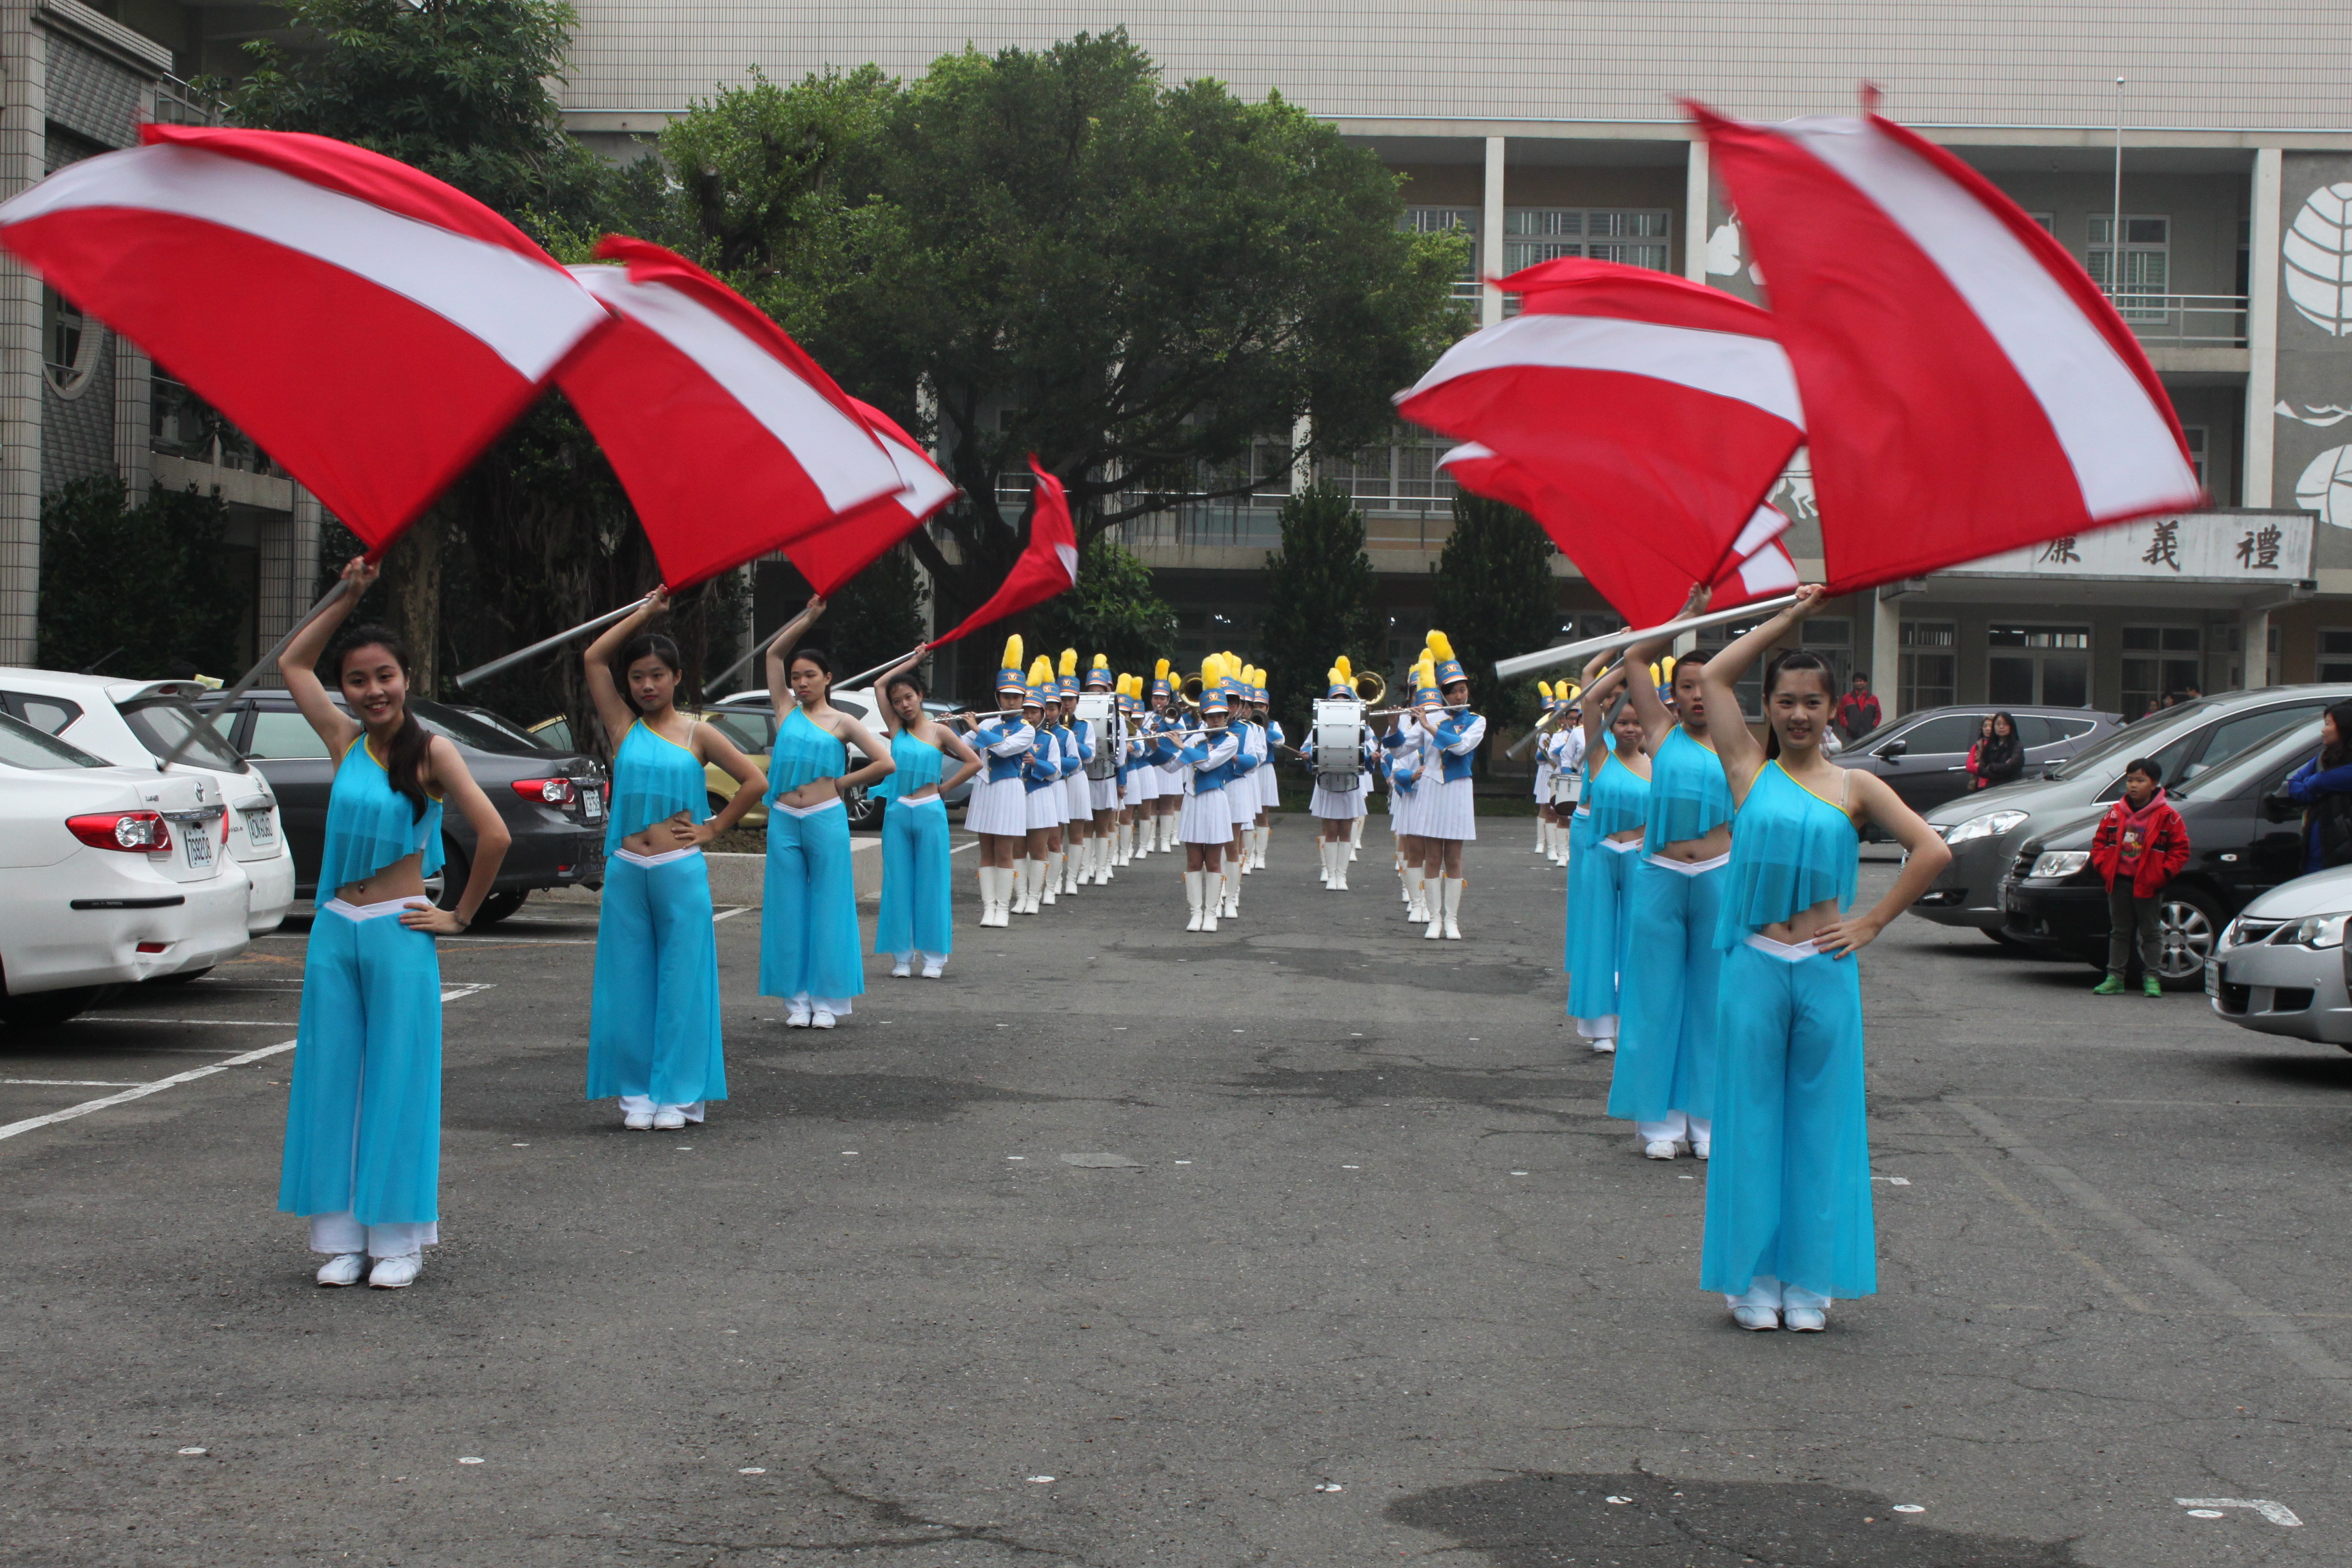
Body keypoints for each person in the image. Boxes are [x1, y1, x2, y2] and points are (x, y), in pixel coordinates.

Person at [1695, 585, 1950, 1333]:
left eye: (1813, 701)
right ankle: (1753, 1280)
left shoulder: (1856, 786)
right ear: (1769, 707)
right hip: (1753, 964)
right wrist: (1789, 620)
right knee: (1748, 1123)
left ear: (1834, 707)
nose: (1799, 713)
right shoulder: (1746, 767)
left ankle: (1809, 1281)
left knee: (1820, 1126)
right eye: (1785, 700)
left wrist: (1871, 923)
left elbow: (1931, 850)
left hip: (1826, 969)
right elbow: (1713, 678)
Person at [276, 556, 512, 1289]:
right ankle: (343, 1239)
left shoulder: (431, 751)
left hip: (397, 929)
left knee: (398, 1081)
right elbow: (292, 660)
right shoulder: (343, 741)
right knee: (333, 1078)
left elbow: (495, 835)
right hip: (334, 927)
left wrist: (459, 917)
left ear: (406, 677)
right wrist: (350, 592)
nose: (372, 690)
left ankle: (399, 1240)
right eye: (358, 679)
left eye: (385, 676)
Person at [582, 591, 767, 1131]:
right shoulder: (623, 726)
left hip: (678, 870)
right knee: (630, 981)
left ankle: (680, 1094)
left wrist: (714, 827)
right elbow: (594, 658)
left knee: (682, 981)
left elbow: (755, 781)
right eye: (638, 676)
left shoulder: (698, 732)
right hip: (625, 870)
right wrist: (643, 612)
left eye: (656, 675)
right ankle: (638, 1093)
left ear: (677, 677)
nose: (645, 685)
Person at [1612, 604, 1733, 1161]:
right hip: (1660, 874)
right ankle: (1660, 1123)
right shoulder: (1659, 731)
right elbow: (1637, 657)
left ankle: (1705, 1121)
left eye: (1708, 685)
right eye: (1687, 686)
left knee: (1712, 1004)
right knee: (1655, 1000)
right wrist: (1687, 614)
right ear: (1674, 695)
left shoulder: (1739, 744)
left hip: (1717, 876)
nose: (1698, 696)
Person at [761, 598, 894, 1028]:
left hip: (824, 819)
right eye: (797, 677)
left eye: (809, 676)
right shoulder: (785, 712)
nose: (800, 682)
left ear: (827, 679)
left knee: (829, 905)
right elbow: (773, 654)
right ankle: (796, 1000)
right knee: (787, 907)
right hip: (783, 819)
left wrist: (840, 784)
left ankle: (827, 999)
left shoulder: (842, 722)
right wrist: (810, 617)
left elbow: (885, 762)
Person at [872, 651, 981, 978]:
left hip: (930, 811)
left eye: (909, 697)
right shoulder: (895, 729)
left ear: (920, 696)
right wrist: (913, 660)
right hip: (897, 812)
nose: (904, 704)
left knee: (932, 883)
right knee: (897, 884)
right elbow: (879, 683)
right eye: (898, 701)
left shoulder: (940, 732)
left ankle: (934, 958)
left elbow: (974, 762)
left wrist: (945, 790)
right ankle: (902, 958)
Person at [1566, 657, 1650, 1056]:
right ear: (1611, 727)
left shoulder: (1657, 765)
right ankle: (1601, 1028)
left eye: (1637, 723)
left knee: (1637, 940)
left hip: (1638, 856)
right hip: (1601, 852)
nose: (1631, 729)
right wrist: (1624, 656)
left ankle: (1636, 1021)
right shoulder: (1600, 756)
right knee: (1598, 937)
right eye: (1622, 723)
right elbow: (1591, 689)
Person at [1150, 655, 1243, 932]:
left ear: (1226, 716)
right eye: (1210, 716)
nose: (1215, 721)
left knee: (1213, 861)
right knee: (1193, 861)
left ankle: (1212, 913)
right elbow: (1171, 767)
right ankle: (1195, 913)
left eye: (1219, 716)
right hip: (1191, 801)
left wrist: (1180, 745)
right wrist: (1156, 748)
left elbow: (1206, 764)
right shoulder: (1195, 737)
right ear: (1202, 716)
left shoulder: (1231, 740)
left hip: (1215, 801)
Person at [2089, 757, 2189, 997]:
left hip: (2149, 884)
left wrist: (2163, 874)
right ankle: (2115, 977)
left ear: (2154, 784)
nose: (2133, 785)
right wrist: (2103, 866)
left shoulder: (2168, 816)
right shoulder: (2115, 813)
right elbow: (2099, 842)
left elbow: (2180, 850)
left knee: (2151, 932)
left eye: (2140, 780)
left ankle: (2152, 978)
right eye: (2130, 780)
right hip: (2119, 880)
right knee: (2120, 931)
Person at [1416, 633, 1486, 939]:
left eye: (1463, 690)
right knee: (1432, 856)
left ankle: (1452, 920)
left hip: (1458, 788)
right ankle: (1434, 919)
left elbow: (1459, 748)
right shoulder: (1430, 714)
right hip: (1432, 787)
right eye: (1453, 692)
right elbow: (1400, 748)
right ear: (1443, 694)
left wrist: (1431, 727)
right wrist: (1396, 726)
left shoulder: (1477, 721)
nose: (1459, 696)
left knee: (1454, 857)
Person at [964, 638, 1037, 927]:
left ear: (1023, 699)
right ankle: (988, 907)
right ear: (998, 697)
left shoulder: (1027, 729)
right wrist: (944, 730)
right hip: (985, 787)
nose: (1011, 701)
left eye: (1016, 697)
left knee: (1004, 851)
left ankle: (1003, 908)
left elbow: (1004, 749)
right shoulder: (987, 723)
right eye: (1006, 696)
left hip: (1008, 789)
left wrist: (974, 729)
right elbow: (961, 747)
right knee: (986, 851)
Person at [1309, 666, 1376, 890]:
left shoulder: (1362, 726)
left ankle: (1342, 875)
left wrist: (1370, 756)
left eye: (1344, 699)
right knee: (1330, 829)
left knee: (1346, 829)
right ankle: (1329, 872)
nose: (1340, 702)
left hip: (1350, 780)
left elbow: (1370, 748)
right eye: (1336, 699)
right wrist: (1308, 754)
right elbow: (1308, 748)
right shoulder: (1320, 724)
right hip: (1327, 780)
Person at [2280, 700, 2352, 874]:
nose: (2323, 730)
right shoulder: (2323, 758)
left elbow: (2318, 782)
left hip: (2342, 859)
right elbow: (2295, 783)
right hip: (2316, 854)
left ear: (2344, 728)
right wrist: (2313, 791)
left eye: (2328, 724)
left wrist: (2313, 785)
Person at [1972, 711, 2025, 791]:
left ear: (2011, 726)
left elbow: (2011, 767)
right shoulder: (1989, 746)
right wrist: (2001, 769)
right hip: (1991, 789)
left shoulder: (2017, 746)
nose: (2001, 727)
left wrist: (1992, 767)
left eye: (2005, 724)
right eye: (1998, 724)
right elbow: (1981, 769)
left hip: (2011, 789)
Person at [1834, 673, 1880, 743]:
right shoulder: (1847, 698)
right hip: (1850, 736)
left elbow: (1878, 715)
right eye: (1856, 681)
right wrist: (1847, 726)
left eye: (1861, 681)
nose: (1858, 683)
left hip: (1868, 735)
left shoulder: (1873, 699)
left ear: (1866, 683)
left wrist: (1872, 726)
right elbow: (1841, 713)